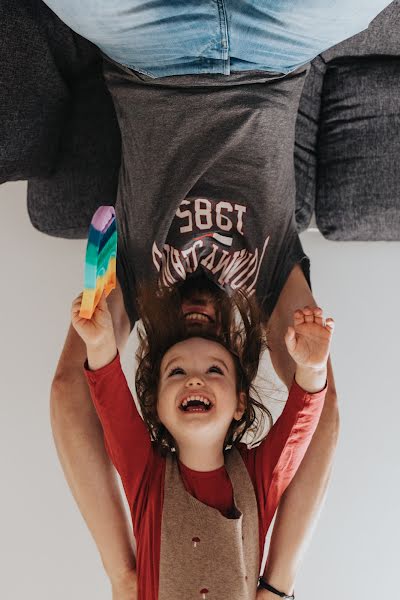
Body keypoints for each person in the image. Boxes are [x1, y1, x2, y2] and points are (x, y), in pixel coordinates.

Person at [70, 277, 334, 599]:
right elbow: (115, 411)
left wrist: (312, 369)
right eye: (177, 372)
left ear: (239, 402)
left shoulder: (254, 477)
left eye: (214, 371)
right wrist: (98, 345)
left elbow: (298, 428)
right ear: (157, 407)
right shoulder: (147, 475)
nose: (194, 379)